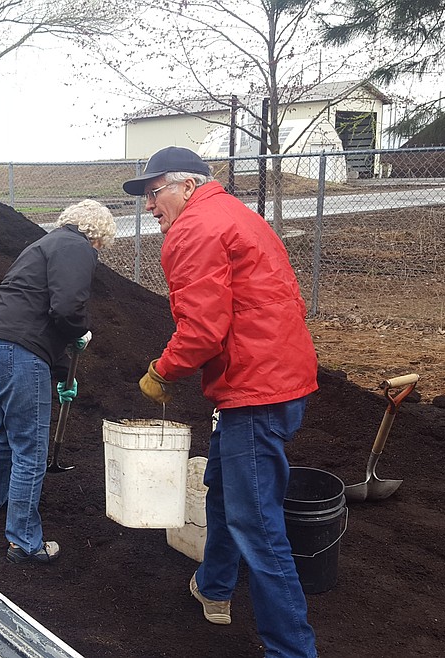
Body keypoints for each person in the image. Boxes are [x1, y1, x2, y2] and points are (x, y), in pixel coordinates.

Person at [124, 146, 319, 658]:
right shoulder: (235, 214)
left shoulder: (193, 229)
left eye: (154, 190)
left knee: (258, 526)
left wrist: (162, 371)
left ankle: (292, 650)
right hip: (278, 376)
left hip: (254, 389)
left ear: (187, 186)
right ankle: (214, 588)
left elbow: (204, 329)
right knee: (222, 490)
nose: (149, 205)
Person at [0, 199, 115, 564]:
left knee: (3, 426)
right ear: (98, 235)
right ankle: (24, 542)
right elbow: (66, 308)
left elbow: (31, 309)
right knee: (31, 450)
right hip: (18, 352)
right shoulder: (78, 247)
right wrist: (79, 332)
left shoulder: (43, 244)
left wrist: (61, 365)